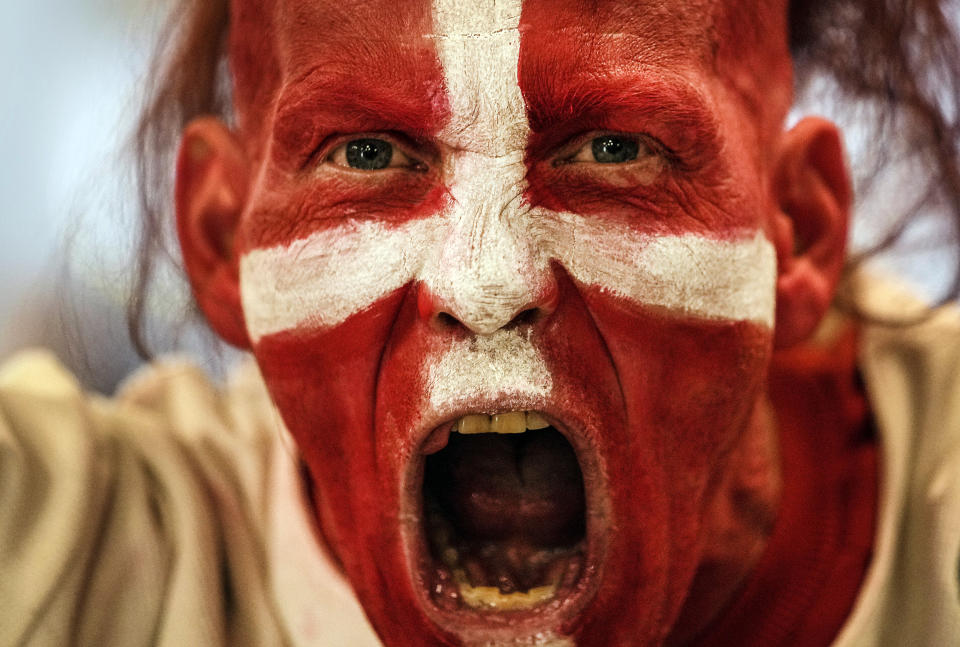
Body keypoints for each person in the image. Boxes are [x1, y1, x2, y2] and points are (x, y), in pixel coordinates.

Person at [2, 1, 959, 646]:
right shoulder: (95, 548)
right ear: (219, 242)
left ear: (797, 230)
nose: (489, 280)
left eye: (617, 148)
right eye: (368, 152)